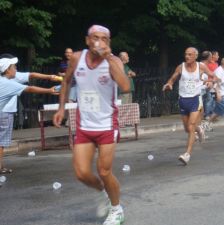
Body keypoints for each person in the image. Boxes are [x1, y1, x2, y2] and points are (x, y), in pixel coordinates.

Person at [53, 25, 130, 225]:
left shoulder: (113, 61)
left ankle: (116, 209)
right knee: (81, 174)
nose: (99, 42)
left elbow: (125, 86)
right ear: (88, 40)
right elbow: (67, 81)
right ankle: (104, 192)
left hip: (106, 124)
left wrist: (107, 58)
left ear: (109, 42)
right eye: (95, 38)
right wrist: (62, 108)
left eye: (104, 39)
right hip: (85, 125)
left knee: (104, 171)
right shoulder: (77, 58)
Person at [1, 54, 58, 174]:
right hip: (3, 114)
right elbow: (30, 89)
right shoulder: (7, 83)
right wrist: (49, 90)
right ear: (7, 69)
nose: (16, 69)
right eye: (14, 67)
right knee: (1, 142)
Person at [162, 47, 215, 165]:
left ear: (196, 56)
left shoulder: (201, 67)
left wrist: (211, 81)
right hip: (183, 100)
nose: (187, 56)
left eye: (190, 54)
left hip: (195, 100)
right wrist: (169, 84)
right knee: (187, 129)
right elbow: (173, 78)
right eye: (186, 54)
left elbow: (213, 75)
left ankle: (187, 154)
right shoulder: (181, 67)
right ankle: (199, 129)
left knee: (191, 127)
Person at [203, 57, 224, 132]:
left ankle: (206, 124)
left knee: (218, 111)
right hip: (216, 92)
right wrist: (217, 93)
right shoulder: (219, 71)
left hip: (222, 92)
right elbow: (215, 82)